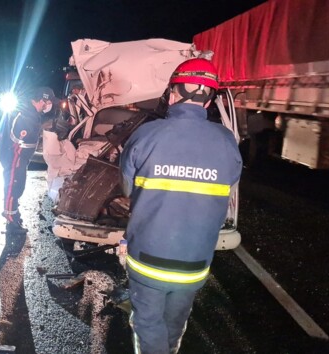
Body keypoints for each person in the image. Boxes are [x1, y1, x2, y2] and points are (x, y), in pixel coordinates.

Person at [119, 58, 242, 354]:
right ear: (209, 99)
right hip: (194, 265)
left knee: (148, 325)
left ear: (173, 93)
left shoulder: (146, 135)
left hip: (147, 259)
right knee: (175, 322)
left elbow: (127, 188)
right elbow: (228, 189)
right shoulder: (227, 142)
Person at [0, 87, 55, 234]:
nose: (48, 106)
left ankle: (14, 213)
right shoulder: (24, 113)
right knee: (13, 186)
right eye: (47, 102)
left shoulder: (32, 113)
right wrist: (18, 157)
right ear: (42, 100)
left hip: (20, 157)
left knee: (18, 186)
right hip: (15, 156)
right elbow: (16, 138)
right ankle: (10, 219)